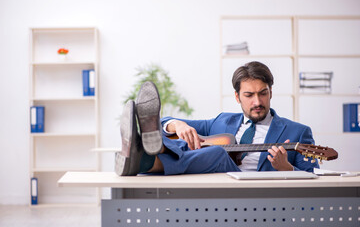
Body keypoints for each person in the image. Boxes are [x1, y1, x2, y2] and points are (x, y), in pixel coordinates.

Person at [115, 61, 319, 176]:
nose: (257, 101)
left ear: (271, 92)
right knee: (182, 136)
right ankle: (147, 155)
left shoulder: (298, 132)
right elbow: (163, 123)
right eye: (249, 95)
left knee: (217, 153)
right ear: (238, 97)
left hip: (254, 192)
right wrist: (177, 124)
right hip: (215, 183)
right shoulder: (223, 121)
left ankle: (143, 156)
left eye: (263, 93)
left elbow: (316, 179)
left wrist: (288, 169)